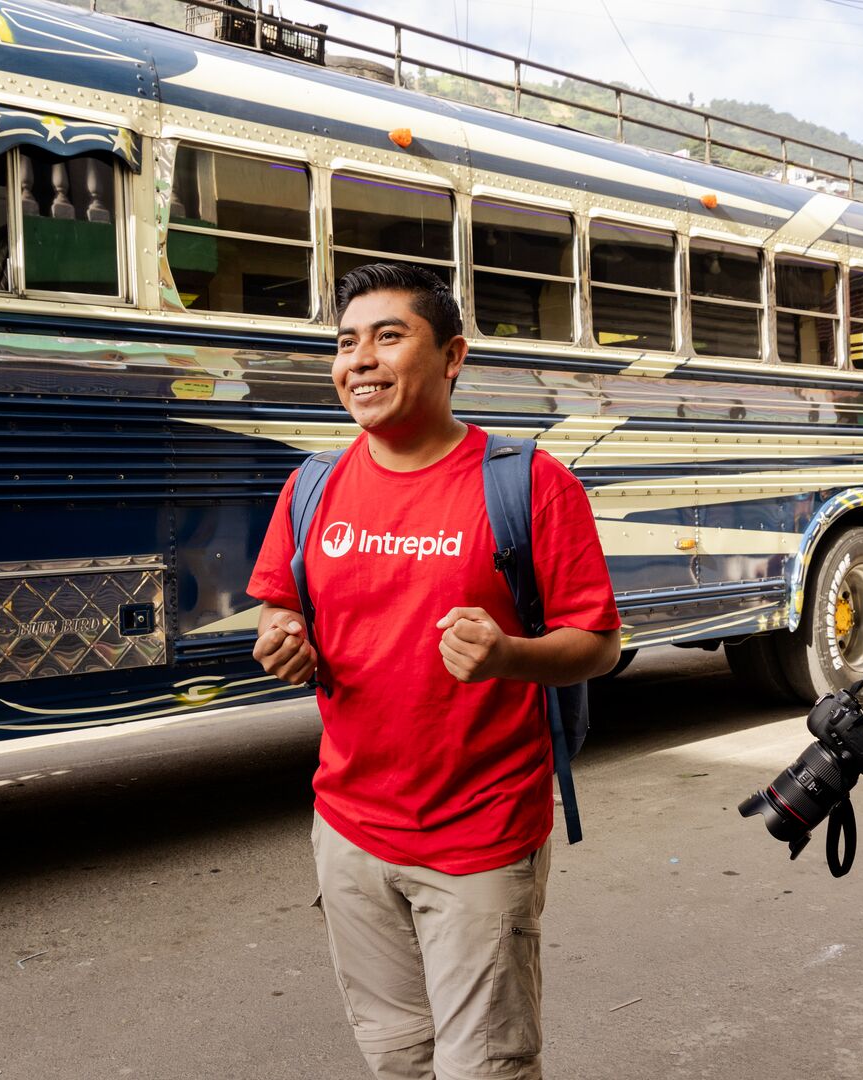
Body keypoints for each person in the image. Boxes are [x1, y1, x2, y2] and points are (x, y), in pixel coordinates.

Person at [246, 263, 621, 1080]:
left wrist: (512, 655)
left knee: (483, 1068)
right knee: (397, 1061)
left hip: (480, 837)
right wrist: (283, 637)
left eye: (389, 336)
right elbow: (281, 603)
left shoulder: (528, 483)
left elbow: (599, 641)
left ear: (452, 357)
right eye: (347, 343)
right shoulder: (314, 486)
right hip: (348, 832)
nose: (361, 360)